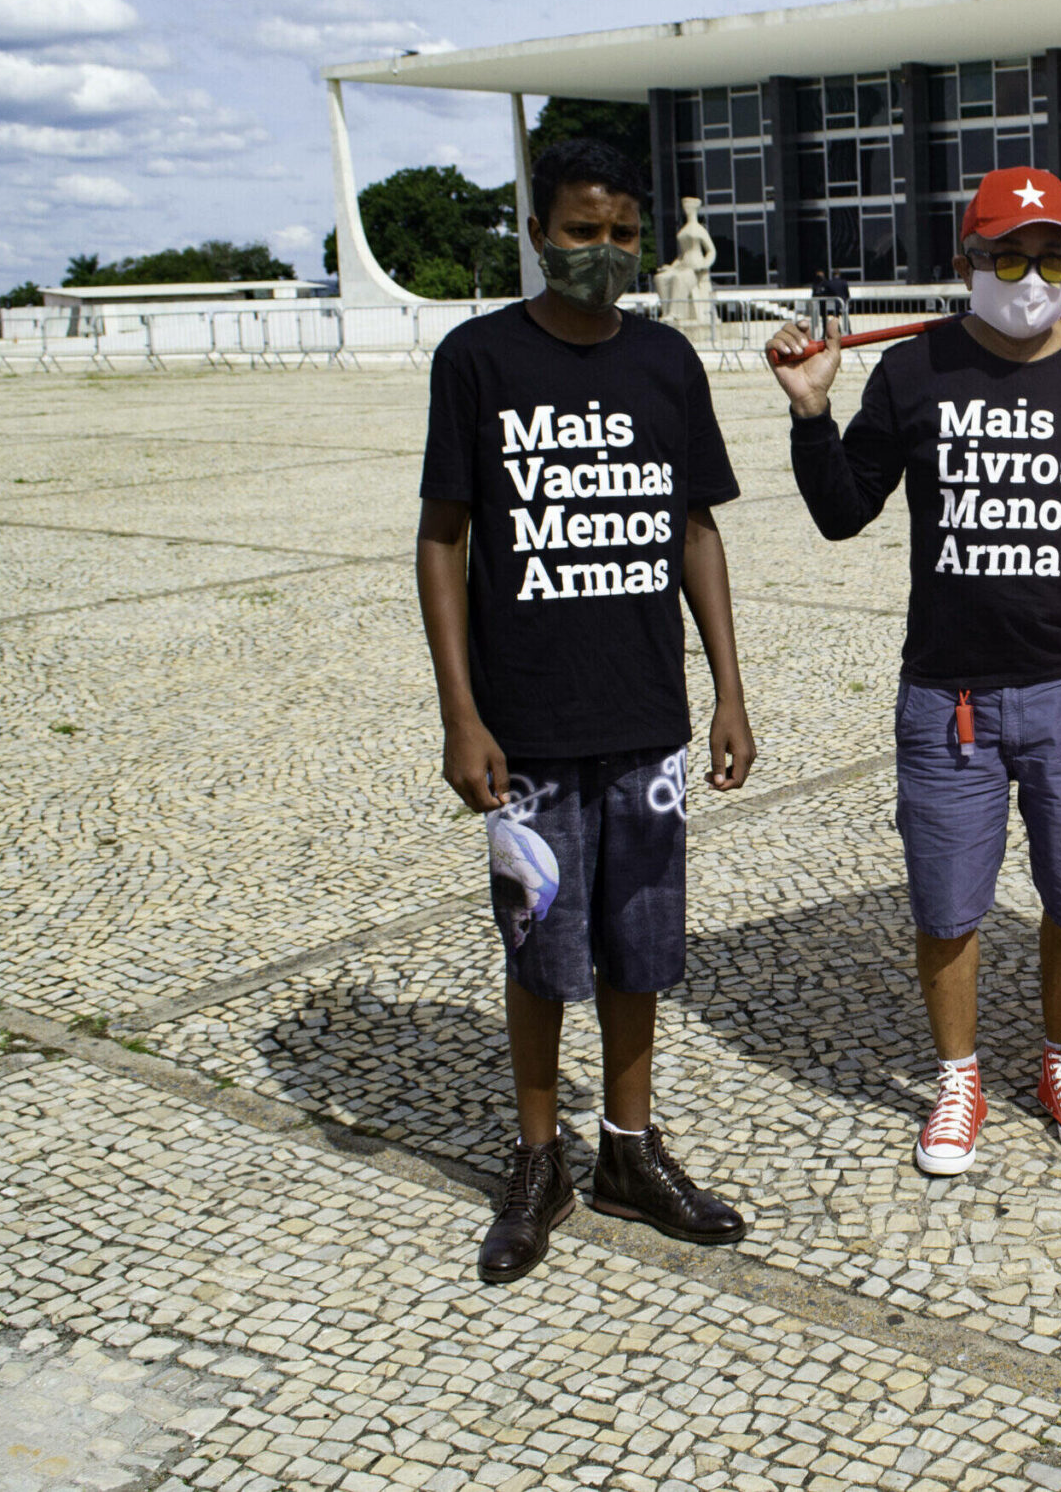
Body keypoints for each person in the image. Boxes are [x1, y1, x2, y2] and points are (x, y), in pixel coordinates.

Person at [763, 168, 1061, 1178]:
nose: (1032, 277)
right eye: (1009, 257)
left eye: (1054, 256)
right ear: (967, 264)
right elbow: (842, 508)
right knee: (948, 907)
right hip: (949, 697)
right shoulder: (915, 368)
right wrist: (812, 414)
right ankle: (958, 1076)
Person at [417, 137, 756, 1284]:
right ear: (538, 233)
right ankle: (534, 1158)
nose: (602, 255)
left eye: (621, 236)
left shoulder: (666, 364)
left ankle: (626, 1147)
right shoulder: (478, 360)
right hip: (527, 728)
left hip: (644, 717)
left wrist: (727, 690)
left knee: (638, 945)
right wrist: (462, 714)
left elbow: (696, 529)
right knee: (537, 946)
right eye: (580, 232)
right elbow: (442, 539)